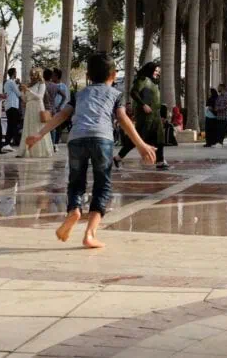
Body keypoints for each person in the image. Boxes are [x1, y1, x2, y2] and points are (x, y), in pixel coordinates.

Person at [25, 52, 157, 248]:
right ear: (113, 75)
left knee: (76, 182)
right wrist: (141, 144)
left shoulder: (80, 94)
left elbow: (62, 115)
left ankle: (74, 211)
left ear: (87, 75)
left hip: (77, 139)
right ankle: (90, 234)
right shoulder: (115, 94)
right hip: (102, 139)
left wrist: (40, 134)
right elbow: (123, 119)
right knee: (102, 186)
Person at [116, 62, 169, 169]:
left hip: (155, 115)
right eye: (156, 71)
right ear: (150, 70)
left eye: (159, 71)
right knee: (138, 138)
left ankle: (160, 161)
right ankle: (118, 158)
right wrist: (143, 105)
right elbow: (133, 92)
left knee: (159, 137)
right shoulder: (143, 80)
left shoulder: (153, 83)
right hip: (145, 117)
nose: (157, 73)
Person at [18, 68, 54, 158]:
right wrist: (22, 92)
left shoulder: (41, 84)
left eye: (33, 74)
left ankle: (40, 151)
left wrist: (28, 90)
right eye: (31, 74)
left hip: (38, 107)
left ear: (38, 74)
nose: (31, 76)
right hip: (29, 107)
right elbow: (25, 99)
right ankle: (27, 150)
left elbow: (40, 96)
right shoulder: (29, 85)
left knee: (38, 127)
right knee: (28, 127)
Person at [3, 67, 22, 148]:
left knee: (11, 124)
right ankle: (13, 141)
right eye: (16, 72)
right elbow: (18, 93)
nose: (16, 73)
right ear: (14, 73)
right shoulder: (11, 82)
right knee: (14, 124)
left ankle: (8, 141)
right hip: (13, 105)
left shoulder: (8, 82)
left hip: (9, 106)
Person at [52, 67, 70, 147]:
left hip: (59, 109)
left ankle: (55, 143)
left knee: (58, 127)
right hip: (51, 109)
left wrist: (61, 107)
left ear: (57, 76)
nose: (52, 77)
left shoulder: (63, 86)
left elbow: (66, 98)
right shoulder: (50, 85)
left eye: (53, 76)